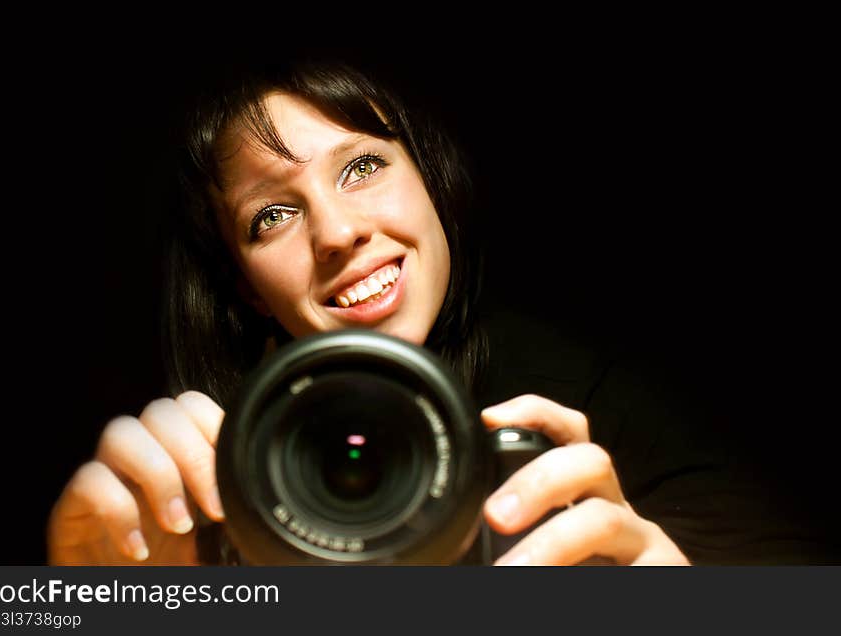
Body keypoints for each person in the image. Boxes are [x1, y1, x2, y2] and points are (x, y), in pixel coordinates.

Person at [45, 55, 833, 566]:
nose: (339, 231)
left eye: (361, 166)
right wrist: (87, 606)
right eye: (271, 216)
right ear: (246, 287)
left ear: (431, 184)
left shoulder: (585, 390)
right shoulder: (191, 489)